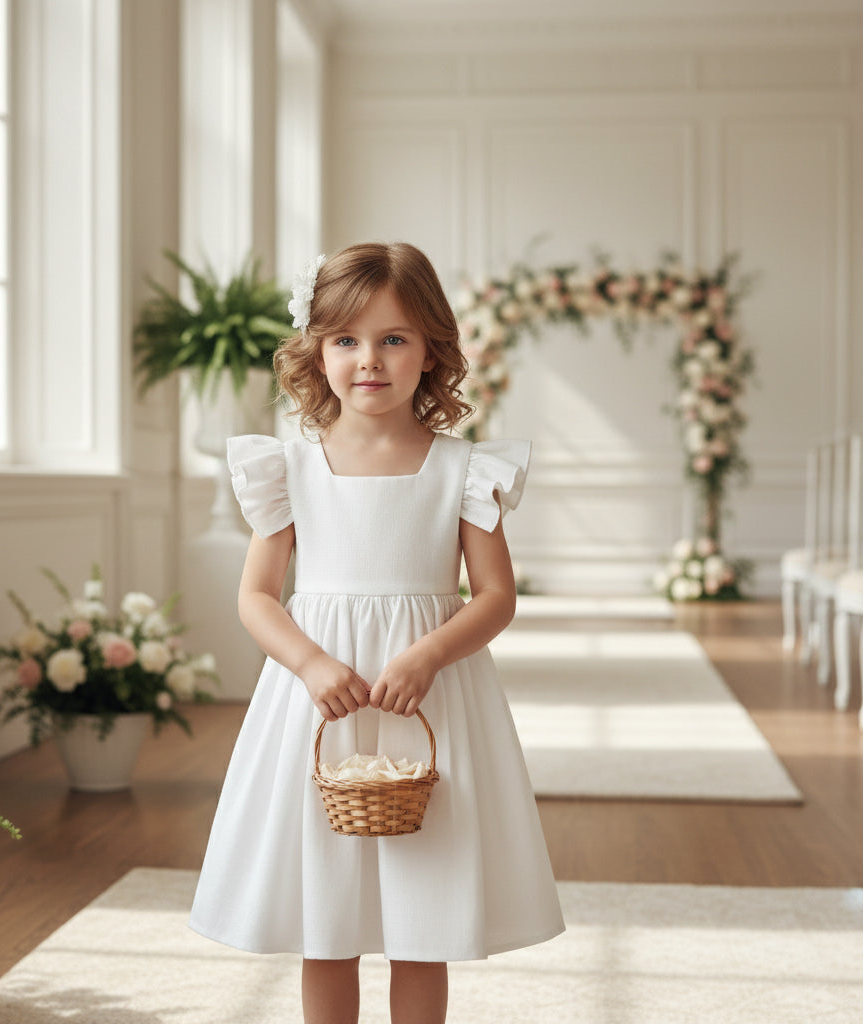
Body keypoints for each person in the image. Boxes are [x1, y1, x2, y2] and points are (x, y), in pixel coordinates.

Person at [189, 242, 564, 1024]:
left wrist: (429, 653)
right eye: (346, 340)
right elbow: (257, 596)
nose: (369, 359)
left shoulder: (464, 470)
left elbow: (496, 596)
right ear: (317, 350)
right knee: (324, 920)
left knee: (424, 918)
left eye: (393, 338)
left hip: (429, 699)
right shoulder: (289, 469)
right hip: (320, 703)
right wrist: (309, 663)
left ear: (431, 350)